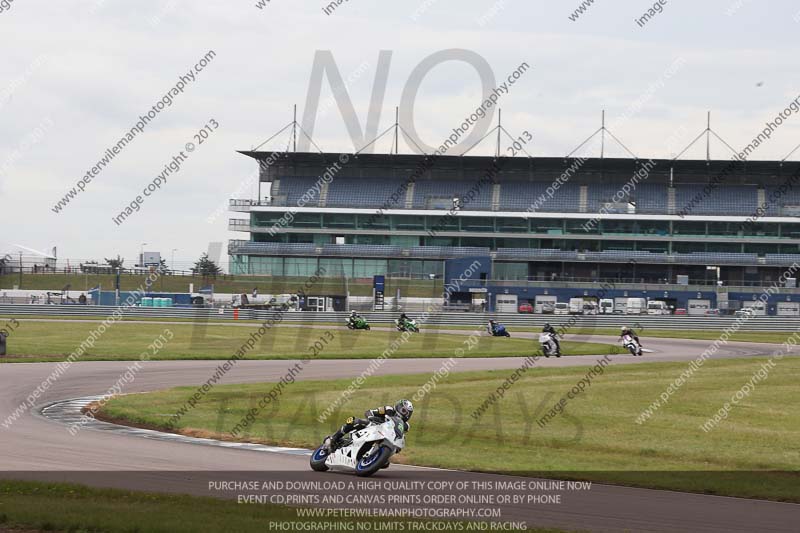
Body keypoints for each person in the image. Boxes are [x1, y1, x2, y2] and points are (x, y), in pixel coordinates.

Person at [323, 399, 413, 452]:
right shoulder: (388, 409)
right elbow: (370, 412)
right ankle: (333, 439)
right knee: (354, 421)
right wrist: (371, 418)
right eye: (403, 410)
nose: (403, 413)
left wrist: (396, 447)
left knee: (385, 464)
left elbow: (401, 437)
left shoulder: (405, 425)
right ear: (398, 406)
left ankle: (376, 455)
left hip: (384, 437)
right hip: (372, 426)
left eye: (406, 413)